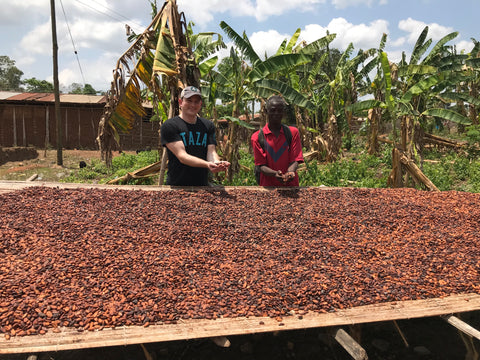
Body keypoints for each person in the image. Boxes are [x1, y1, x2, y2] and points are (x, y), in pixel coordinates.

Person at [160, 86, 229, 186]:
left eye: (196, 101)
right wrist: (207, 164)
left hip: (202, 185)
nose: (193, 104)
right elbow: (182, 156)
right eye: (189, 100)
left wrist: (217, 163)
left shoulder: (208, 126)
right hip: (177, 185)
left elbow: (211, 151)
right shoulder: (170, 126)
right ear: (180, 102)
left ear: (200, 104)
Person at [251, 95, 304, 186]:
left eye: (280, 110)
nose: (276, 113)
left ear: (284, 112)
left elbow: (295, 159)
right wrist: (275, 174)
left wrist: (290, 172)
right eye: (273, 110)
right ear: (267, 111)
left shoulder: (292, 133)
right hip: (268, 186)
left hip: (290, 185)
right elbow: (261, 165)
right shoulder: (257, 137)